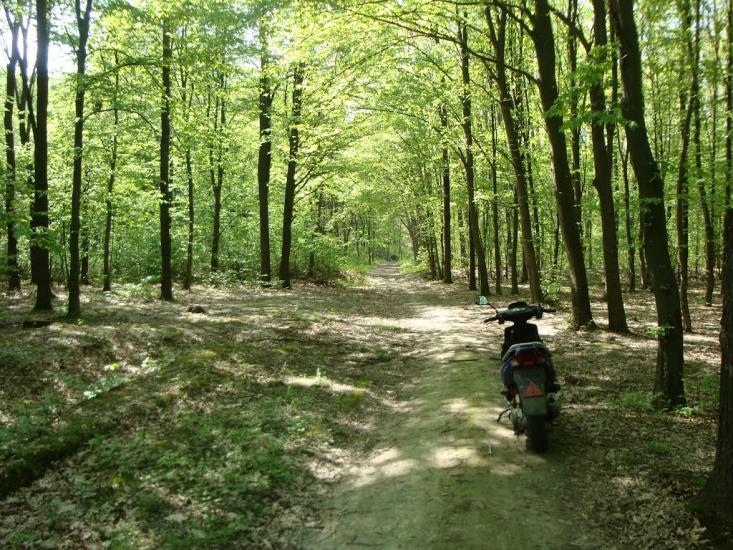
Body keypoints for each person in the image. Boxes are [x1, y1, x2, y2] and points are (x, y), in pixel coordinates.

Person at [499, 302, 559, 400]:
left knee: (505, 361)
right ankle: (552, 382)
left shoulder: (508, 330)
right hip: (535, 352)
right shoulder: (532, 327)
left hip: (516, 356)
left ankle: (507, 386)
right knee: (546, 357)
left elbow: (505, 352)